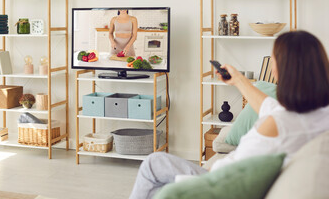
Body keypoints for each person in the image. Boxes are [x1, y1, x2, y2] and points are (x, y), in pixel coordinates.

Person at [129, 30, 329, 199]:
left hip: (216, 181)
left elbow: (233, 171)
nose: (272, 67)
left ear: (285, 70)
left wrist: (208, 172)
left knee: (153, 163)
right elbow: (271, 108)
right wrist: (238, 80)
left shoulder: (277, 124)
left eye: (274, 59)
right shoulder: (318, 113)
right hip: (229, 175)